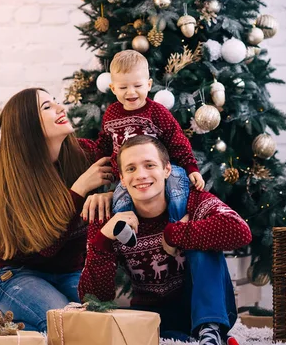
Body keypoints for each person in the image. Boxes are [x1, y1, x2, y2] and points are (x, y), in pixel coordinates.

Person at [79, 135, 252, 345]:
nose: (141, 175)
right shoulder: (109, 217)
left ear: (167, 170)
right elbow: (93, 299)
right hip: (153, 313)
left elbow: (240, 231)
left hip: (201, 305)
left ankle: (209, 331)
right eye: (131, 169)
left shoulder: (192, 201)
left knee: (203, 241)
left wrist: (174, 234)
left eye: (149, 165)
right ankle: (190, 337)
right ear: (122, 178)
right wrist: (103, 239)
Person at [0, 87, 114, 333]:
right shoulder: (19, 179)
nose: (60, 107)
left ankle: (26, 329)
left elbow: (127, 163)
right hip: (16, 275)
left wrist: (110, 195)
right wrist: (79, 189)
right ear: (28, 126)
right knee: (65, 325)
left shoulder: (83, 154)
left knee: (101, 325)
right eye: (47, 107)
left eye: (55, 101)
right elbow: (47, 247)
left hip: (69, 271)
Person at [79, 50, 204, 222]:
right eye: (123, 87)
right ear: (113, 88)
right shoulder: (111, 114)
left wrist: (191, 167)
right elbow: (106, 142)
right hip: (128, 174)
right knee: (120, 201)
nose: (131, 92)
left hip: (159, 170)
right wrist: (100, 163)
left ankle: (177, 224)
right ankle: (127, 229)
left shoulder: (157, 112)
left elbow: (177, 140)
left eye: (137, 86)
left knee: (178, 184)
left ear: (149, 85)